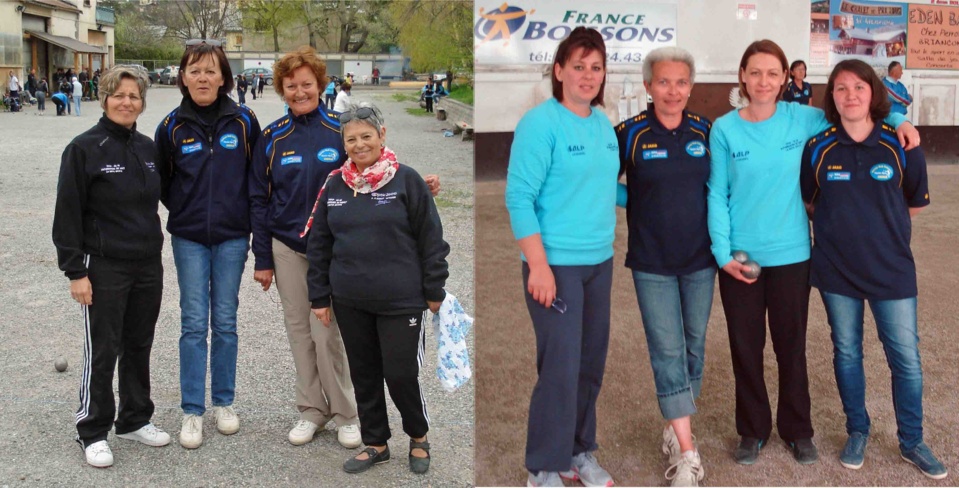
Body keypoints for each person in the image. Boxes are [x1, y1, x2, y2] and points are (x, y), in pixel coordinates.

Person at [707, 39, 919, 467]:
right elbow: (716, 192)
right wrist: (722, 252)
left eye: (773, 73)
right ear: (742, 77)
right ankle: (752, 430)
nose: (763, 81)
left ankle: (797, 430)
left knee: (791, 346)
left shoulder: (803, 118)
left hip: (792, 254)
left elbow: (855, 111)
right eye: (755, 72)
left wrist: (899, 117)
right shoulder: (725, 128)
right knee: (745, 347)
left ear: (785, 78)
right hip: (741, 257)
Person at [800, 59, 946, 480]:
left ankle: (912, 441)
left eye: (859, 87)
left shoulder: (901, 144)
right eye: (841, 88)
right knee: (847, 351)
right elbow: (810, 201)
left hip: (891, 269)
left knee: (905, 358)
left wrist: (879, 232)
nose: (851, 95)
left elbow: (914, 204)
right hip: (836, 270)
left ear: (873, 94)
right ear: (832, 97)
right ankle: (857, 430)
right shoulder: (818, 147)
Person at [305, 102, 449, 475]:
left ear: (382, 136)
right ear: (343, 144)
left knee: (400, 374)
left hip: (402, 301)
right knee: (364, 374)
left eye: (366, 136)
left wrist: (434, 289)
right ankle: (376, 443)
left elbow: (431, 239)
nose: (359, 145)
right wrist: (319, 296)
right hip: (350, 300)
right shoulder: (335, 185)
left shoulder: (407, 180)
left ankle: (418, 437)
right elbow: (319, 245)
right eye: (351, 139)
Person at [505, 26, 618, 488]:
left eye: (596, 67)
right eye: (578, 66)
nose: (588, 75)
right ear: (559, 71)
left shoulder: (603, 125)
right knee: (560, 367)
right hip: (556, 265)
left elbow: (606, 187)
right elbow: (519, 198)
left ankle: (577, 452)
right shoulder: (540, 124)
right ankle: (543, 466)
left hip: (599, 261)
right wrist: (539, 265)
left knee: (589, 365)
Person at [52, 65, 172, 468]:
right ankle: (92, 429)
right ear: (104, 99)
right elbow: (67, 213)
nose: (126, 102)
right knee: (104, 348)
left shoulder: (147, 148)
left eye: (134, 96)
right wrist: (75, 272)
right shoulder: (84, 148)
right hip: (103, 265)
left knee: (139, 344)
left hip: (147, 264)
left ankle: (134, 419)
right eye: (119, 95)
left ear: (142, 102)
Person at [249, 46, 363, 451]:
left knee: (326, 332)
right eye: (291, 86)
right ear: (281, 90)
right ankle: (312, 409)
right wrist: (263, 258)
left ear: (321, 85)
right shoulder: (272, 137)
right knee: (299, 331)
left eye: (307, 84)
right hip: (286, 247)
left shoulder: (340, 129)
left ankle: (346, 414)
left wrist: (418, 184)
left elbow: (372, 171)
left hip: (331, 250)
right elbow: (258, 200)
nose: (300, 92)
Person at [614, 46, 713, 487]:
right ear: (648, 86)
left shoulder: (707, 131)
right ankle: (688, 453)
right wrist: (635, 201)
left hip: (701, 260)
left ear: (690, 86)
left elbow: (722, 187)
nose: (673, 91)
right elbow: (600, 182)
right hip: (651, 261)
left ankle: (676, 424)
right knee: (667, 349)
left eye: (681, 82)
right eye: (663, 82)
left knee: (694, 347)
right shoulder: (629, 133)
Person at [154, 39, 260, 450]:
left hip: (233, 237)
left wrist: (238, 216)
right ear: (183, 77)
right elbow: (163, 183)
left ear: (223, 78)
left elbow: (257, 177)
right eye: (194, 70)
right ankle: (192, 409)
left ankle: (224, 403)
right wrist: (187, 209)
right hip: (190, 238)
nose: (202, 78)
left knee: (226, 321)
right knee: (194, 323)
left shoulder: (245, 121)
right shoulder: (171, 127)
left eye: (210, 70)